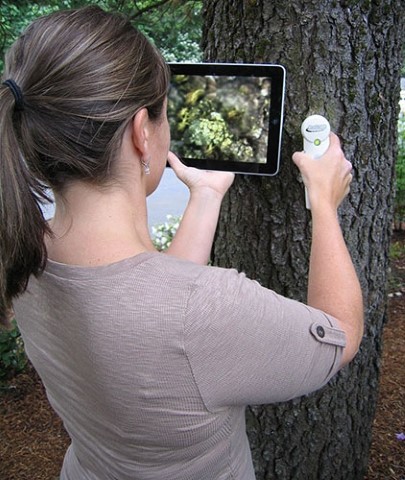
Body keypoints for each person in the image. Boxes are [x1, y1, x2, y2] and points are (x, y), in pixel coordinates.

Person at [0, 6, 363, 480]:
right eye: (165, 113)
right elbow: (340, 335)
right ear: (140, 134)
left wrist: (207, 194)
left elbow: (155, 306)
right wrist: (324, 202)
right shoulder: (208, 307)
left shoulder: (22, 258)